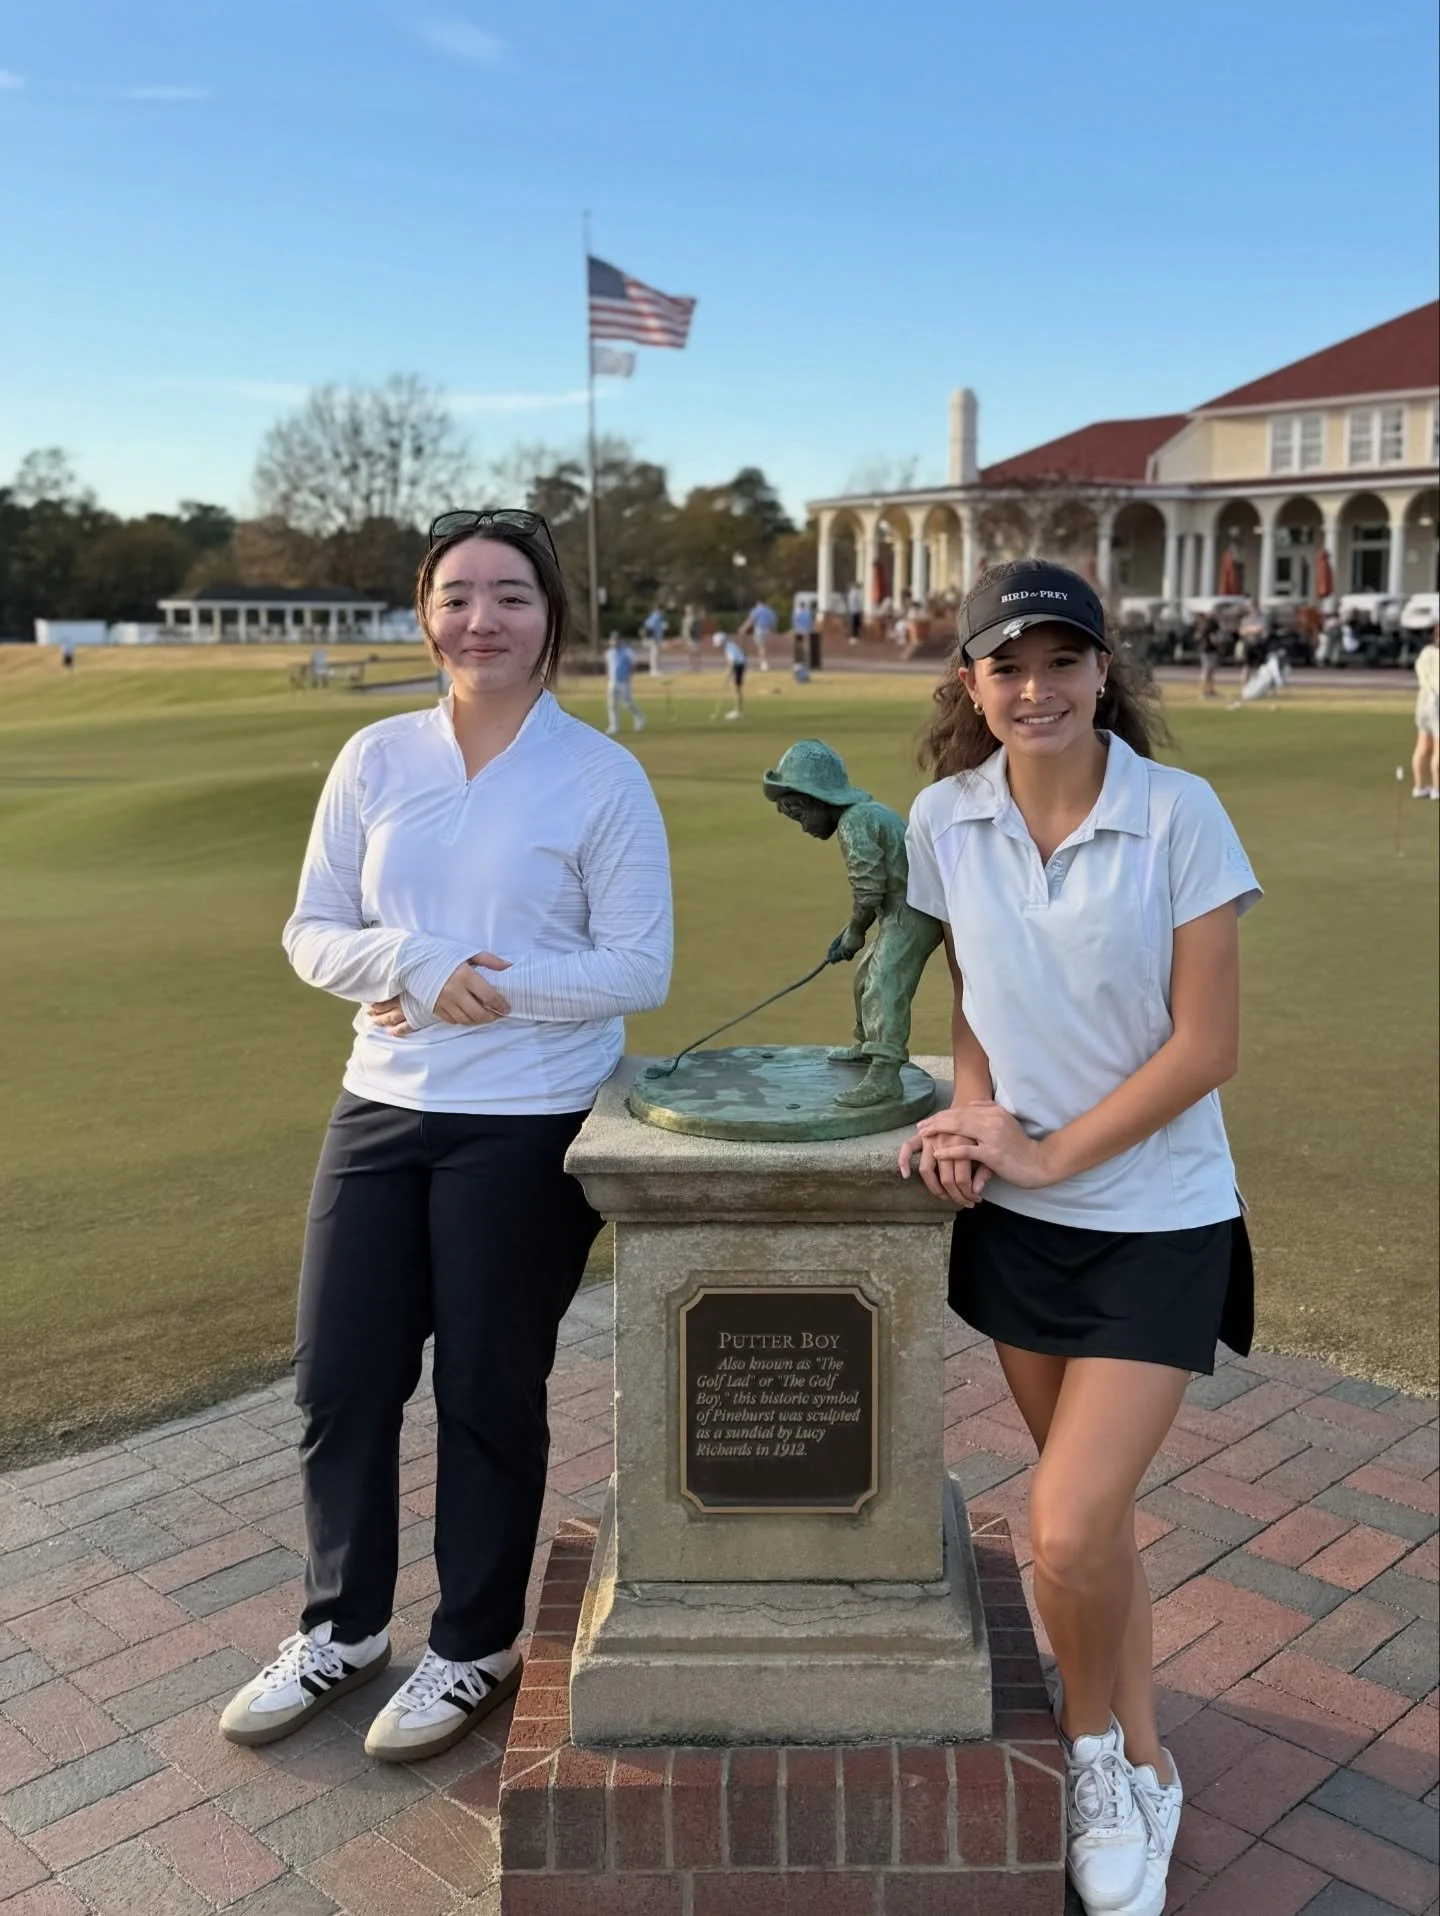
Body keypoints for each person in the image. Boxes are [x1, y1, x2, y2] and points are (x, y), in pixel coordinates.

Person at [219, 507, 672, 1764]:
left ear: (551, 619)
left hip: (525, 1119)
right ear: (428, 613)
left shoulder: (599, 775)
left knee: (484, 1387)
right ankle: (344, 1625)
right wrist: (408, 960)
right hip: (381, 1100)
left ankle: (473, 1643)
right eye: (458, 594)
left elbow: (641, 960)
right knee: (342, 1374)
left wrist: (489, 983)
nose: (483, 618)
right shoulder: (375, 756)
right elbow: (313, 929)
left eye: (511, 595)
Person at [899, 559, 1259, 1916]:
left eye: (1063, 661)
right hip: (1018, 1229)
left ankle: (1107, 1757)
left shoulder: (1180, 815)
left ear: (1106, 671)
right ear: (972, 685)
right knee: (1083, 1528)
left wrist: (1050, 1148)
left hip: (1158, 1220)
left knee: (1059, 1523)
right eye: (1008, 665)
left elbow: (1206, 1046)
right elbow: (979, 1005)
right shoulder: (945, 818)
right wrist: (975, 1119)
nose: (1036, 688)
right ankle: (1139, 1748)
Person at [1412, 629, 1440, 798]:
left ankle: (1419, 786)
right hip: (1437, 702)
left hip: (1423, 701)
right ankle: (1437, 788)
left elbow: (1420, 673)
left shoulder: (1426, 653)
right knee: (1438, 748)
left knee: (1422, 745)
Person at [604, 632, 645, 736]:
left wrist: (629, 676)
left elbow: (633, 665)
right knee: (612, 705)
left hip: (624, 682)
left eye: (616, 640)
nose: (614, 642)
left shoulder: (627, 651)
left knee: (628, 703)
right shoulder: (609, 653)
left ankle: (639, 716)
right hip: (612, 682)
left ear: (620, 641)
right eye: (612, 640)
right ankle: (614, 726)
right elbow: (609, 667)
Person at [712, 629, 747, 719]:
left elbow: (732, 663)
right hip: (739, 664)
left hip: (738, 665)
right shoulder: (729, 646)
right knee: (736, 688)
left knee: (736, 688)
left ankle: (738, 711)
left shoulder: (729, 648)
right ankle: (739, 710)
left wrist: (728, 673)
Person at [746, 599, 778, 671]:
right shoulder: (770, 611)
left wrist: (744, 628)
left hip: (759, 629)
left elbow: (751, 620)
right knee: (764, 646)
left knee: (761, 646)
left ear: (758, 603)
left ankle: (763, 663)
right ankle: (764, 661)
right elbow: (774, 622)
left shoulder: (756, 610)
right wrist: (775, 631)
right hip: (767, 630)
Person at [642, 604, 668, 676]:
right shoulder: (655, 617)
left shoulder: (658, 617)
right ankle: (654, 670)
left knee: (656, 654)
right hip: (654, 639)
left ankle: (655, 669)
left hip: (657, 638)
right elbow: (648, 628)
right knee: (654, 655)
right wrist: (652, 638)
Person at [681, 603, 704, 670]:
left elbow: (696, 629)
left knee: (696, 652)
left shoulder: (694, 619)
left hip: (693, 637)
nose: (688, 611)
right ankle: (692, 666)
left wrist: (697, 636)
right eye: (687, 610)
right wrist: (683, 637)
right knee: (690, 652)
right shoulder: (685, 619)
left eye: (689, 609)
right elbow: (684, 629)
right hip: (687, 637)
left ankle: (698, 665)